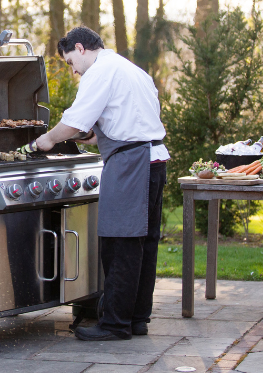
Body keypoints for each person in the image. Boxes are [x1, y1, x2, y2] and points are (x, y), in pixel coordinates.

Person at [27, 26, 169, 341]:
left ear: (80, 48)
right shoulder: (129, 69)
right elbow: (124, 118)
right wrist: (93, 136)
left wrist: (47, 140)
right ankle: (135, 319)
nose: (74, 70)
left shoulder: (100, 72)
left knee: (120, 243)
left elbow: (76, 121)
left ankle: (115, 325)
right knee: (144, 244)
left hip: (132, 163)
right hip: (154, 160)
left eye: (70, 62)